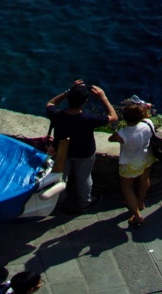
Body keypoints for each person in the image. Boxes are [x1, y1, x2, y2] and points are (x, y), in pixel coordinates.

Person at [46, 78, 113, 209]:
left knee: (60, 176)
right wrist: (103, 97)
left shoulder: (57, 114)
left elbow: (50, 103)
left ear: (69, 99)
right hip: (84, 153)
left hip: (62, 152)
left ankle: (59, 199)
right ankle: (85, 202)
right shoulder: (89, 119)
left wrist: (68, 92)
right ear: (85, 102)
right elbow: (113, 117)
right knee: (84, 179)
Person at [108, 96, 157, 226]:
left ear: (124, 117)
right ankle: (140, 202)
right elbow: (146, 117)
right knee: (144, 178)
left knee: (126, 187)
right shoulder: (148, 124)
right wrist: (145, 109)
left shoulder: (123, 134)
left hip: (130, 162)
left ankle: (137, 216)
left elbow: (110, 139)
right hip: (147, 157)